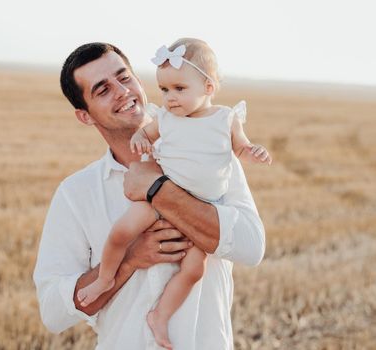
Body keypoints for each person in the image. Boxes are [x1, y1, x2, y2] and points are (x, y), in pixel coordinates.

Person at [33, 42, 265, 349]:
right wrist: (129, 260)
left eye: (124, 77)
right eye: (102, 90)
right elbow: (53, 311)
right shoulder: (77, 193)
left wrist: (158, 190)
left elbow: (252, 248)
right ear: (85, 116)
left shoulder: (213, 158)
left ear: (140, 82)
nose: (121, 91)